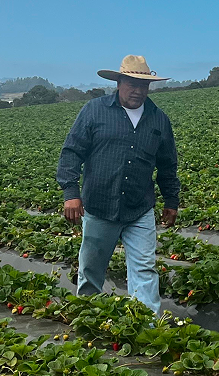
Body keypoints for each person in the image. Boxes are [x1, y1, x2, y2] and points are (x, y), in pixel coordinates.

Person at [56, 55, 180, 315]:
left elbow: (167, 165)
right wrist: (71, 193)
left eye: (143, 85)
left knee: (145, 268)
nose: (137, 90)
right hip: (100, 205)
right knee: (91, 269)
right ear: (119, 82)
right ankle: (88, 318)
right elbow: (71, 152)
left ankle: (147, 327)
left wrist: (171, 200)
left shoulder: (159, 120)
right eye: (131, 83)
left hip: (139, 208)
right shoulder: (95, 110)